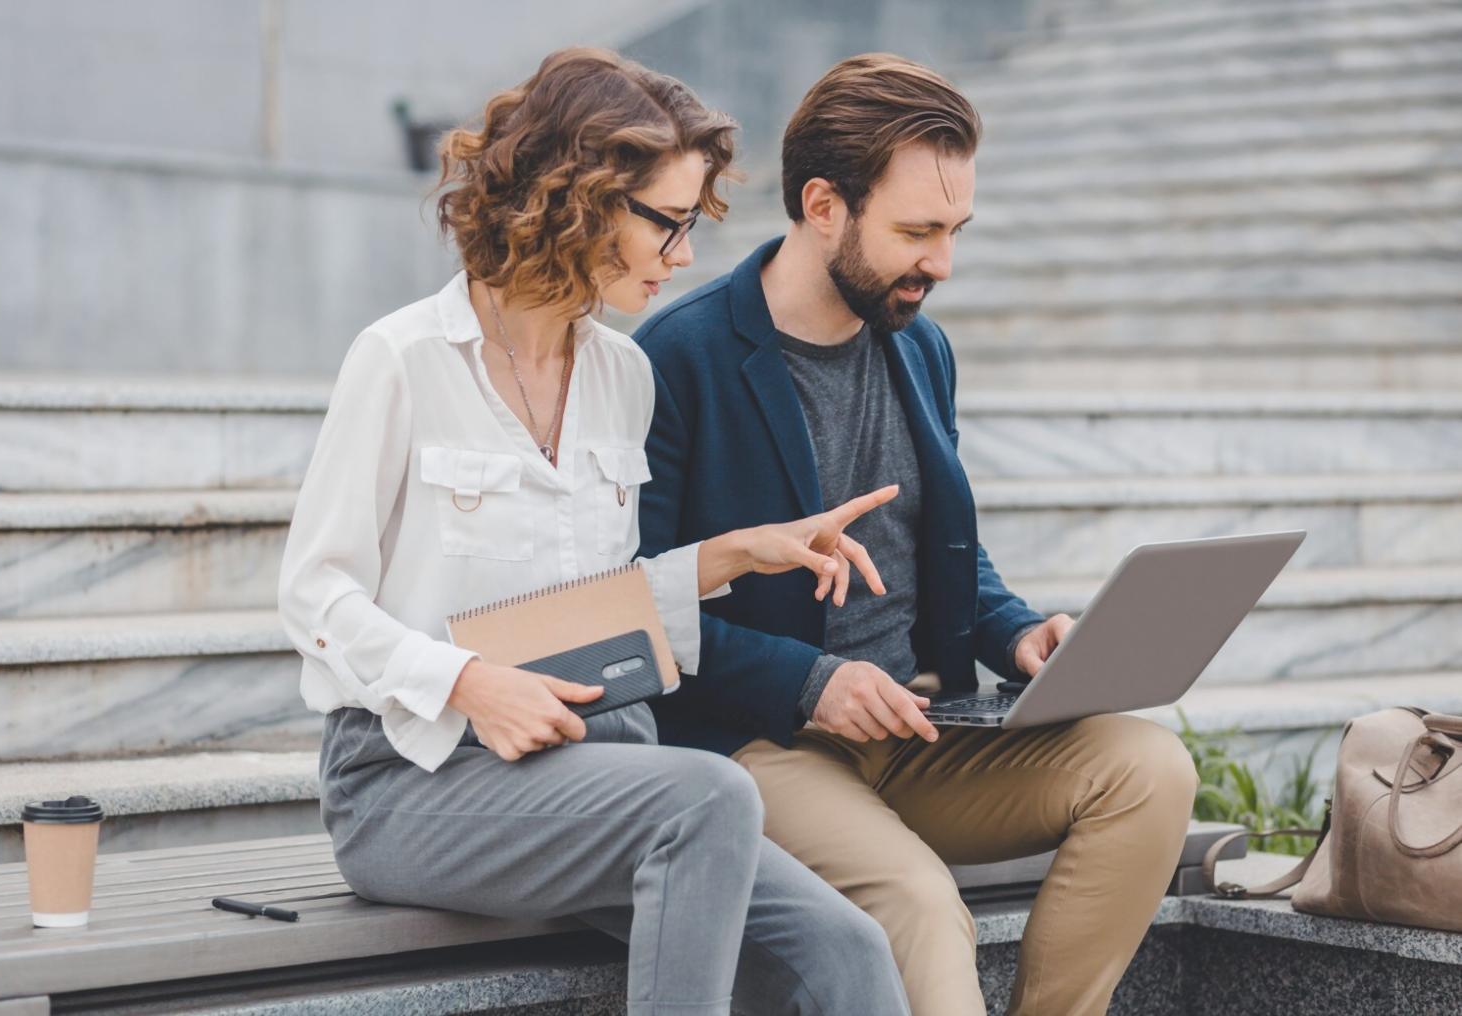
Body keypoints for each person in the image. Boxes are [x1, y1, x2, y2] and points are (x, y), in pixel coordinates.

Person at [277, 47, 911, 1016]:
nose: (686, 255)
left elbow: (587, 616)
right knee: (708, 797)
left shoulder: (623, 376)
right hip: (410, 782)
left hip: (585, 769)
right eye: (668, 221)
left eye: (693, 224)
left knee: (849, 949)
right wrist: (469, 683)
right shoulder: (402, 360)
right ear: (579, 200)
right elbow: (313, 596)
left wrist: (733, 555)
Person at [635, 53, 1200, 1016]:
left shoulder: (918, 344)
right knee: (923, 905)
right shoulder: (678, 356)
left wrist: (1021, 634)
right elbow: (633, 604)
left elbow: (938, 548)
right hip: (760, 745)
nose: (943, 263)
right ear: (823, 205)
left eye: (955, 231)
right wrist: (813, 682)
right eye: (918, 232)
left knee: (1150, 771)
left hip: (924, 730)